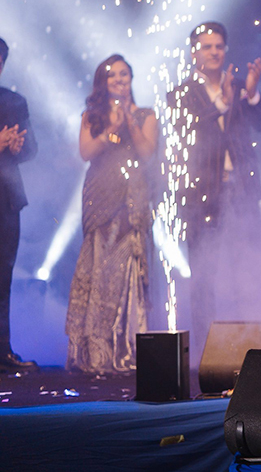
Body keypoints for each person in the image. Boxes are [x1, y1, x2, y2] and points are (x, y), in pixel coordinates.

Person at [166, 22, 261, 343]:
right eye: (207, 46)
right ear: (194, 52)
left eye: (219, 46)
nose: (214, 52)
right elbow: (189, 131)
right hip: (201, 195)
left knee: (246, 270)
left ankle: (249, 347)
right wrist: (223, 104)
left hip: (241, 191)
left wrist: (251, 95)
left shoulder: (240, 85)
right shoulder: (181, 93)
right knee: (203, 276)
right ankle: (206, 350)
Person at [66, 55, 158, 373]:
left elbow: (147, 153)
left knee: (126, 267)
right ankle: (95, 353)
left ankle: (126, 348)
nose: (119, 79)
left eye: (124, 74)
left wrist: (129, 121)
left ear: (132, 78)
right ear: (103, 83)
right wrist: (110, 130)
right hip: (99, 197)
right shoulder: (91, 116)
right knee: (98, 268)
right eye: (112, 76)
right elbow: (85, 152)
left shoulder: (146, 115)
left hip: (133, 199)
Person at [0, 38, 37, 373]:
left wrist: (17, 146)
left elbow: (31, 150)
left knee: (2, 277)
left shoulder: (13, 102)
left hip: (6, 201)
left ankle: (3, 351)